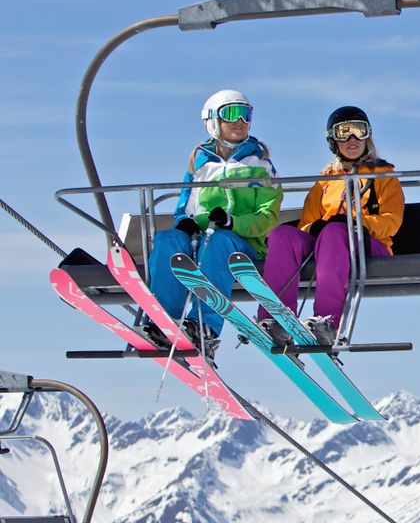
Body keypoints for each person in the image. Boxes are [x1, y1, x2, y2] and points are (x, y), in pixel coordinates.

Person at [143, 89, 283, 360]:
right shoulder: (200, 163)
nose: (240, 120)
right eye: (231, 113)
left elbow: (268, 218)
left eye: (246, 114)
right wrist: (185, 224)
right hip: (202, 238)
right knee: (167, 240)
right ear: (212, 121)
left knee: (219, 242)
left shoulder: (260, 165)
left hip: (242, 244)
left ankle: (204, 326)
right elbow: (185, 206)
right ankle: (165, 321)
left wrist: (234, 222)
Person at [259, 106, 404, 345]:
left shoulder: (382, 175)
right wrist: (313, 229)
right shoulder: (326, 180)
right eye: (344, 132)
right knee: (283, 235)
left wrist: (357, 223)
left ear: (368, 135)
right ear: (333, 140)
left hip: (369, 245)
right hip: (327, 244)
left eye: (359, 131)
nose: (352, 139)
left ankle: (327, 321)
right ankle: (277, 320)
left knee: (335, 231)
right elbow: (307, 222)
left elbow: (392, 222)